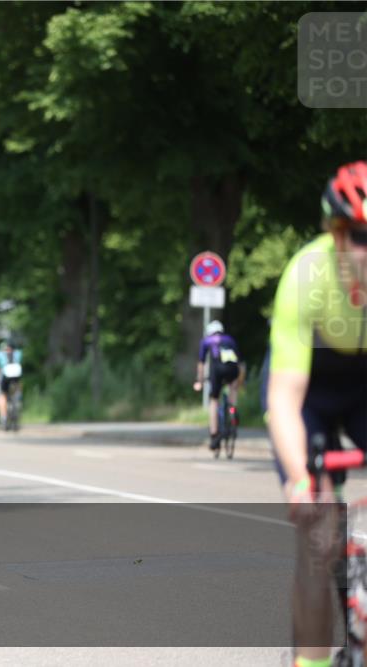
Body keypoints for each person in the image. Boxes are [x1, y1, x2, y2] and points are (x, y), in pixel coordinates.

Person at [267, 160, 367, 667]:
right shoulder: (307, 275)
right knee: (318, 538)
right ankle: (310, 662)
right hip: (310, 389)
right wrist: (302, 483)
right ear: (337, 233)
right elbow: (284, 398)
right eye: (363, 237)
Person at [193, 320, 241, 452]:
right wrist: (237, 381)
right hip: (232, 369)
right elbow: (238, 361)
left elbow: (201, 363)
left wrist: (200, 381)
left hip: (217, 370)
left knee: (214, 400)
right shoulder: (229, 339)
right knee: (232, 387)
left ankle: (214, 435)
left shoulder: (207, 341)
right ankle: (233, 411)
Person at [0, 340, 23, 429]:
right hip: (16, 376)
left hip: (5, 376)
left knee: (2, 395)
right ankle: (16, 405)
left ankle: (4, 417)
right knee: (16, 392)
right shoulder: (18, 353)